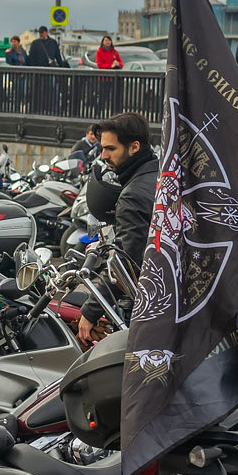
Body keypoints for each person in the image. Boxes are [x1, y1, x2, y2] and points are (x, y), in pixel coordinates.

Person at [76, 112, 158, 344]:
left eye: (110, 148)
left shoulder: (132, 196)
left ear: (134, 147)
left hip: (151, 306)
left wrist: (91, 310)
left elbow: (126, 264)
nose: (104, 156)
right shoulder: (160, 174)